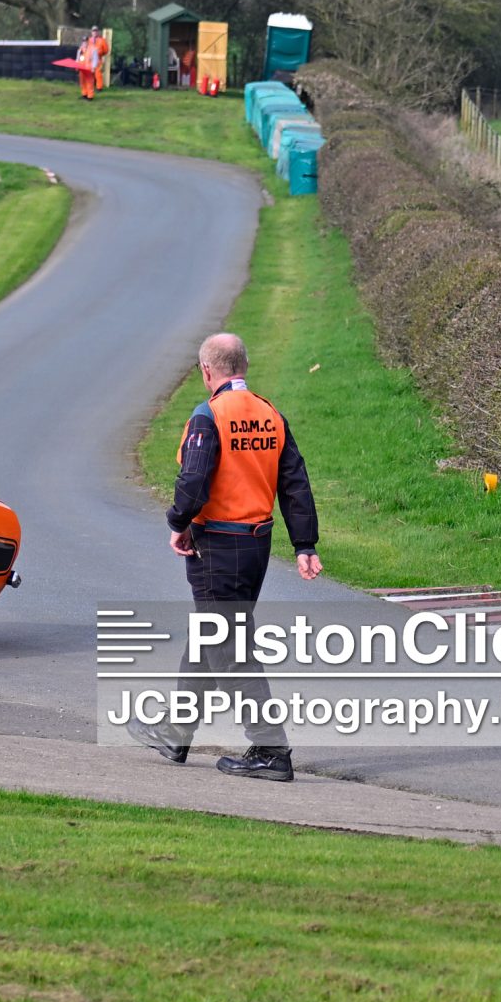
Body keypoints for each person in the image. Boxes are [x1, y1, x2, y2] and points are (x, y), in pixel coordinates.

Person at [127, 332, 322, 781]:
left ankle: (271, 749)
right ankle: (176, 731)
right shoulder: (270, 413)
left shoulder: (209, 415)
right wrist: (305, 544)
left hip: (217, 546)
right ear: (244, 366)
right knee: (211, 638)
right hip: (255, 545)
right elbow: (294, 482)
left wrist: (179, 523)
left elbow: (193, 482)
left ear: (206, 371)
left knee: (229, 648)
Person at [76, 26, 109, 101]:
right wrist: (77, 66)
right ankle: (84, 94)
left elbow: (96, 58)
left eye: (85, 41)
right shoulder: (81, 49)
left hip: (89, 67)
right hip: (82, 67)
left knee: (90, 81)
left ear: (88, 41)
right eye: (83, 41)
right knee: (82, 82)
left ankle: (90, 95)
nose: (84, 42)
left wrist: (93, 67)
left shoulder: (94, 48)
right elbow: (78, 58)